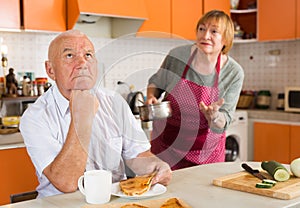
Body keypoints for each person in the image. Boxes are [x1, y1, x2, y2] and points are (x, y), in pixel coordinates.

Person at [19, 30, 172, 198]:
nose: (82, 63)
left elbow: (136, 155)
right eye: (69, 55)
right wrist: (81, 119)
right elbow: (66, 182)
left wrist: (155, 166)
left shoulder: (114, 101)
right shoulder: (35, 117)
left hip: (113, 201)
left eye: (88, 55)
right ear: (50, 70)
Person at [145, 10, 244, 170]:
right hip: (167, 147)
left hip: (206, 153)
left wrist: (214, 116)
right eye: (202, 29)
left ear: (225, 39)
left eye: (214, 31)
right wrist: (151, 97)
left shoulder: (234, 72)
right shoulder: (178, 55)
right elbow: (156, 82)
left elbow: (225, 118)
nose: (205, 36)